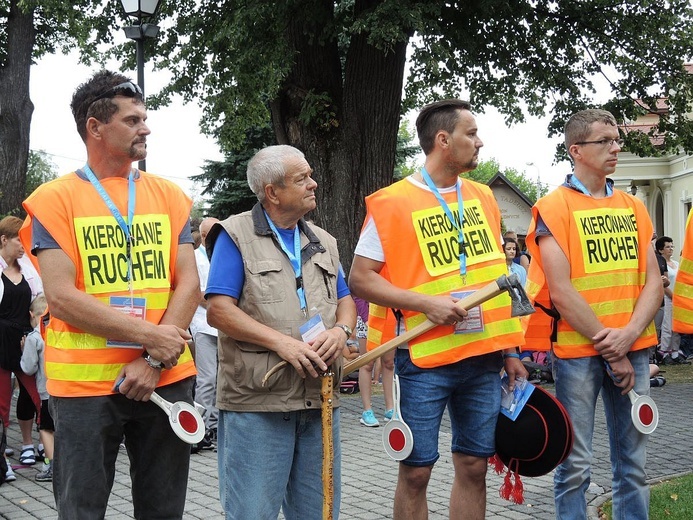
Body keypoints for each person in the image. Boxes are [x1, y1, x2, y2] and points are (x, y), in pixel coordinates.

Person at [20, 70, 199, 518]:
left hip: (166, 378)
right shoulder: (54, 199)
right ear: (95, 127)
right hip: (84, 388)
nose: (146, 127)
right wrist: (153, 338)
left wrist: (155, 357)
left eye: (144, 118)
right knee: (81, 509)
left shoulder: (170, 195)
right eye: (133, 120)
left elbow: (189, 283)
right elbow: (60, 297)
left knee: (163, 509)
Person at [349, 99, 527, 520]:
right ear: (443, 141)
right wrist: (425, 303)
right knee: (415, 472)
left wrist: (512, 353)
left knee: (474, 465)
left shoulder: (483, 197)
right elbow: (360, 279)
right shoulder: (392, 203)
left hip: (483, 356)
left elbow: (494, 275)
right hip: (424, 359)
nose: (480, 142)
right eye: (472, 133)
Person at [204, 144, 356, 519]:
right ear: (272, 192)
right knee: (252, 513)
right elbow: (219, 311)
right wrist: (283, 344)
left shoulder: (324, 240)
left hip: (319, 398)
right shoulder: (234, 234)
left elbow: (346, 300)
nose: (314, 184)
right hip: (258, 404)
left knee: (320, 513)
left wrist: (341, 331)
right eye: (302, 178)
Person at [525, 109, 661, 520]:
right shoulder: (553, 207)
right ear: (577, 151)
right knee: (574, 466)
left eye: (616, 139)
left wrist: (629, 335)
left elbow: (654, 282)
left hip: (631, 346)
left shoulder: (634, 206)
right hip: (579, 352)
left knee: (633, 465)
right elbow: (561, 291)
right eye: (606, 141)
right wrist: (614, 347)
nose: (616, 147)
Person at [0, 216, 43, 483]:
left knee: (40, 397)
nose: (23, 245)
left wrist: (34, 333)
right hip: (1, 340)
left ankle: (43, 446)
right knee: (1, 405)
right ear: (4, 239)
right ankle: (2, 461)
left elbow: (39, 303)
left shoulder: (27, 268)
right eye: (19, 239)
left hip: (25, 340)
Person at [190, 216, 221, 451]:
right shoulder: (195, 258)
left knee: (223, 380)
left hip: (225, 329)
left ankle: (215, 425)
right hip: (205, 327)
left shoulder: (224, 253)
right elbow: (196, 292)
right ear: (202, 236)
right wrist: (221, 307)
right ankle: (199, 429)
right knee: (207, 379)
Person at [19, 294, 54, 482]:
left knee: (46, 429)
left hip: (46, 392)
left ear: (32, 314)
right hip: (62, 389)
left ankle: (51, 466)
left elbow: (28, 367)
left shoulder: (34, 337)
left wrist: (24, 351)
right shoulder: (57, 332)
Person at [354, 296, 394, 427]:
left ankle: (390, 408)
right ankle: (367, 410)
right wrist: (366, 318)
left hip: (389, 317)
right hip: (368, 317)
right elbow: (358, 295)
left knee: (389, 363)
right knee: (367, 363)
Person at [655, 236, 689, 365]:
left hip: (678, 298)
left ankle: (675, 352)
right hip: (668, 298)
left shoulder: (676, 264)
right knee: (667, 326)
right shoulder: (661, 264)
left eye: (671, 246)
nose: (671, 249)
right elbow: (663, 284)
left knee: (676, 326)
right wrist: (673, 296)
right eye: (667, 247)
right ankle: (664, 351)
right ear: (661, 250)